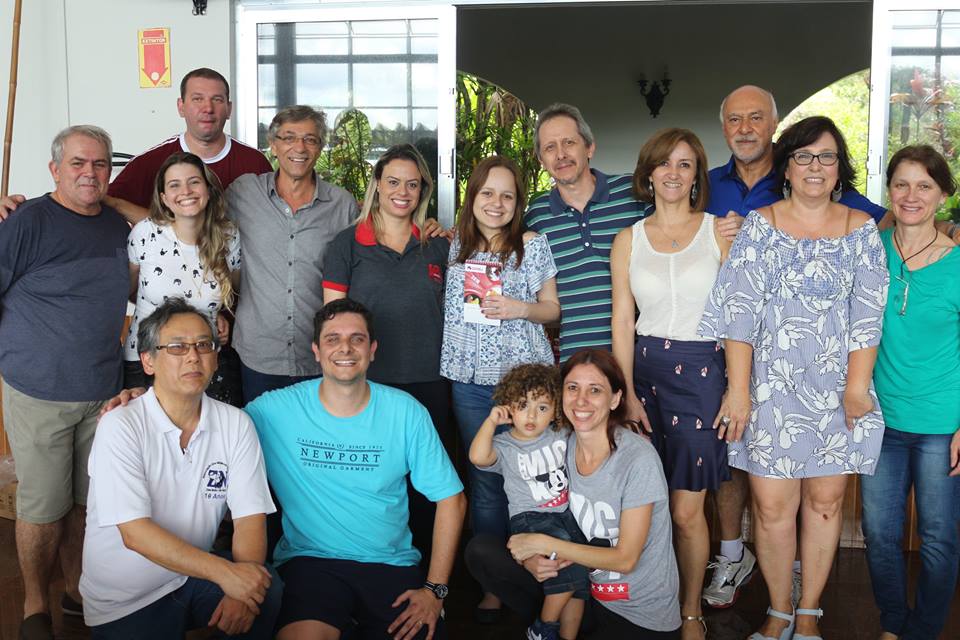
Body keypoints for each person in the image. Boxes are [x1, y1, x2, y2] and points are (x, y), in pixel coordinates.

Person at [702, 85, 894, 605]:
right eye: (804, 157)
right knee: (770, 509)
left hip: (839, 393)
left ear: (839, 169)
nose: (815, 167)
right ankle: (779, 610)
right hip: (770, 392)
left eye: (826, 157)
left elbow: (867, 318)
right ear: (785, 167)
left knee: (826, 506)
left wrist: (857, 389)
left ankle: (808, 614)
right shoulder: (759, 228)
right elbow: (739, 315)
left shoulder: (861, 231)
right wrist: (738, 392)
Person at [245, 298, 466, 640]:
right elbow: (215, 427)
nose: (345, 348)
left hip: (390, 565)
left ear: (372, 349)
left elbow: (452, 499)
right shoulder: (274, 409)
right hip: (311, 564)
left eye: (357, 339)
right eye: (332, 339)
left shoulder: (406, 412)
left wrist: (435, 589)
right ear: (316, 350)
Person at [80, 299, 281, 639]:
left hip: (192, 576)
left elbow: (250, 518)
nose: (193, 356)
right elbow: (135, 533)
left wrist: (240, 589)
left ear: (215, 356)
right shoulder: (120, 425)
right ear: (148, 361)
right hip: (126, 600)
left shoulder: (236, 423)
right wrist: (226, 574)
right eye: (176, 347)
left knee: (265, 589)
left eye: (204, 345)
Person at [0, 125, 129, 640]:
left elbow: (168, 226)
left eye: (100, 164)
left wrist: (116, 201)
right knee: (42, 508)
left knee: (85, 505)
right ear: (55, 169)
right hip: (40, 392)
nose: (89, 173)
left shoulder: (117, 227)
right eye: (78, 163)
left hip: (103, 391)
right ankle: (35, 605)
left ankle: (77, 592)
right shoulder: (26, 221)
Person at [610, 129, 731, 640]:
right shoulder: (629, 239)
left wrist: (738, 387)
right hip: (645, 374)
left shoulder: (720, 231)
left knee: (686, 511)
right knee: (645, 502)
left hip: (703, 375)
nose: (674, 173)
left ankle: (690, 610)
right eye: (664, 163)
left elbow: (740, 317)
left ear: (697, 174)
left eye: (685, 164)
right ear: (649, 173)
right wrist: (626, 393)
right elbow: (622, 320)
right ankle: (649, 601)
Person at [439, 155, 560, 621]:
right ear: (472, 197)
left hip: (521, 386)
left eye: (507, 195)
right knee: (486, 479)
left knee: (530, 478)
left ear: (518, 202)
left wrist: (519, 308)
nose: (497, 202)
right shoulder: (456, 244)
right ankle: (494, 583)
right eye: (488, 193)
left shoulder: (532, 244)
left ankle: (542, 574)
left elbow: (552, 309)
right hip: (469, 383)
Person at [524, 104, 742, 362]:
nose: (561, 154)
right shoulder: (537, 216)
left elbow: (683, 227)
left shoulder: (632, 194)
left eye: (569, 142)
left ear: (590, 148)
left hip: (639, 358)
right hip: (575, 362)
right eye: (550, 147)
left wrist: (735, 227)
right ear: (541, 160)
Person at [505, 349, 681, 639]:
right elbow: (532, 510)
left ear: (615, 399)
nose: (581, 400)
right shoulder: (561, 444)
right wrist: (530, 558)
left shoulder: (638, 458)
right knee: (483, 553)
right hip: (584, 591)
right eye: (572, 388)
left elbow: (626, 560)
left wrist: (543, 543)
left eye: (595, 390)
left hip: (636, 612)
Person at [862, 145, 960, 640]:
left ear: (943, 195)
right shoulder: (867, 251)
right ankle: (893, 624)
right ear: (889, 190)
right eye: (901, 184)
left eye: (925, 185)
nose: (911, 195)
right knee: (879, 534)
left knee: (938, 538)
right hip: (879, 420)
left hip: (943, 424)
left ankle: (923, 630)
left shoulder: (958, 264)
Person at [228, 105, 358, 402]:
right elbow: (195, 222)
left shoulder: (342, 205)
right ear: (273, 145)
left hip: (319, 354)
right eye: (289, 138)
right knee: (261, 432)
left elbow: (364, 263)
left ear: (320, 148)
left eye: (310, 139)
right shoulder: (243, 193)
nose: (299, 147)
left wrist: (424, 227)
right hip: (259, 354)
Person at [322, 144, 449, 434]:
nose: (402, 192)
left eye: (412, 184)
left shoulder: (438, 244)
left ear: (422, 190)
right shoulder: (347, 243)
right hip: (367, 379)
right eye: (393, 182)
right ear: (378, 184)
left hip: (430, 378)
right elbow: (332, 319)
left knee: (427, 461)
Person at [468, 363, 588, 640]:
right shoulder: (505, 445)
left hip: (568, 515)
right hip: (531, 518)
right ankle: (543, 627)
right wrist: (491, 422)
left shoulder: (561, 433)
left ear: (555, 410)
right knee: (571, 564)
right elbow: (477, 457)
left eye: (542, 407)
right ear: (509, 407)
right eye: (522, 406)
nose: (531, 415)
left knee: (579, 581)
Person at [123, 152, 241, 403]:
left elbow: (234, 291)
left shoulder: (229, 236)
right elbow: (128, 290)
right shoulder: (144, 234)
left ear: (208, 189)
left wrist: (214, 312)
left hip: (204, 360)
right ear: (164, 198)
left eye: (194, 182)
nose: (186, 191)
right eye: (174, 185)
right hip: (147, 360)